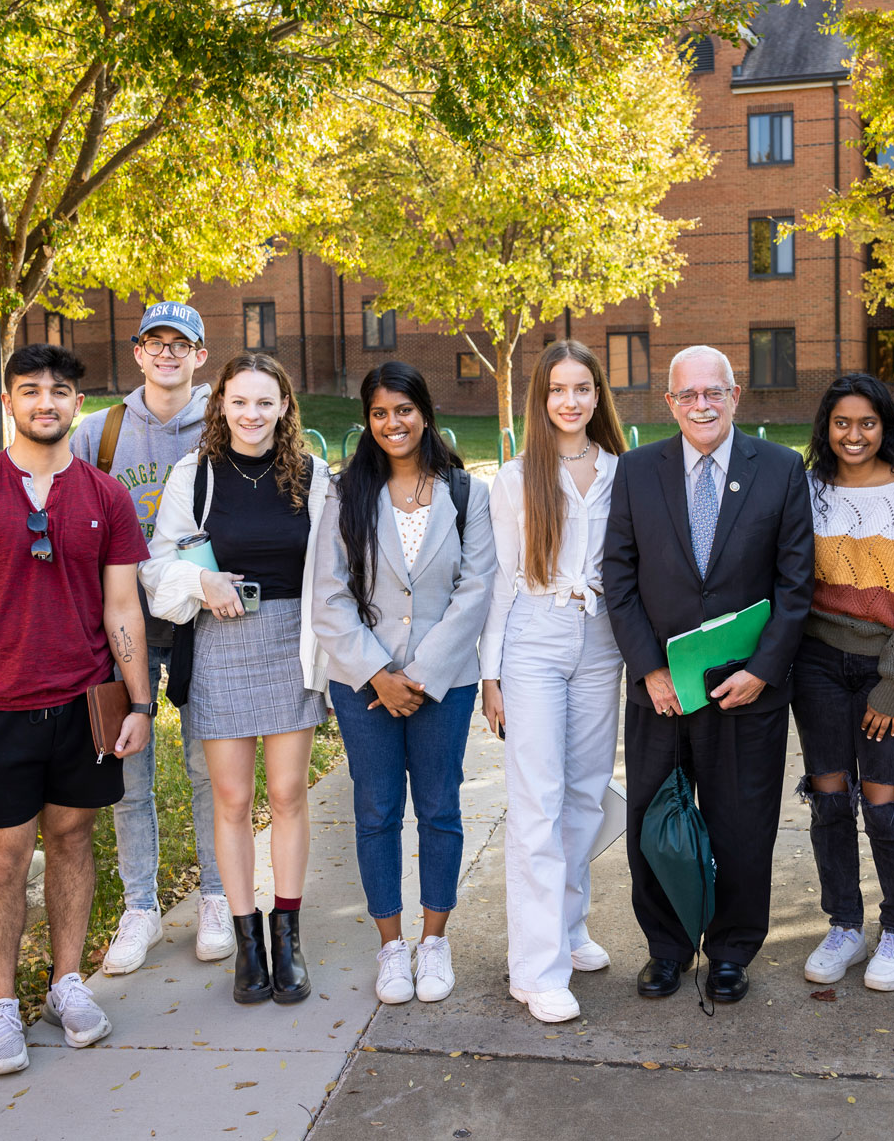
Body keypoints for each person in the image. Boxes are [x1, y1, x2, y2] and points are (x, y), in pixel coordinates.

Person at [0, 344, 155, 1077]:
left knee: (75, 840)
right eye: (30, 390)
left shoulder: (105, 497)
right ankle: (0, 1008)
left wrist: (140, 701)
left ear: (76, 405)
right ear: (9, 401)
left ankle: (65, 984)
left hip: (82, 703)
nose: (45, 402)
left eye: (59, 391)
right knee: (1, 862)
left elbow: (123, 605)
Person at [602, 345, 814, 1005]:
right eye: (687, 394)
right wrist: (647, 669)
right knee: (655, 822)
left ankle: (730, 950)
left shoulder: (780, 469)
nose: (701, 404)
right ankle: (666, 948)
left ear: (735, 394)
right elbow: (619, 577)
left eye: (713, 392)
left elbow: (796, 583)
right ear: (669, 403)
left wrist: (762, 671)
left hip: (745, 694)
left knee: (743, 828)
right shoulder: (638, 471)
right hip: (663, 695)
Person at [143, 354, 331, 1005]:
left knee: (286, 794)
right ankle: (245, 943)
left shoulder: (313, 476)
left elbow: (335, 569)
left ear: (285, 407)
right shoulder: (193, 476)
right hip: (220, 644)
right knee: (230, 799)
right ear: (220, 404)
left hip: (288, 645)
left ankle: (289, 938)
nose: (252, 415)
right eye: (240, 402)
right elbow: (155, 568)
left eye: (265, 402)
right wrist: (201, 581)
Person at [313, 362, 494, 1007]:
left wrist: (420, 675)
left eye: (404, 410)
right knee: (376, 810)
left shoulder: (465, 493)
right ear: (368, 420)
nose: (393, 424)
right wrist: (380, 675)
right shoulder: (346, 494)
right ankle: (391, 946)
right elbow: (329, 596)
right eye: (380, 413)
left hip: (444, 683)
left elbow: (476, 590)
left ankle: (434, 939)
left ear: (425, 412)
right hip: (364, 684)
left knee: (440, 807)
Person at [69, 301, 232, 973]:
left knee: (207, 769)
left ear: (200, 355)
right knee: (129, 773)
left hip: (203, 623)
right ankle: (140, 908)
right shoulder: (100, 433)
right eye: (154, 343)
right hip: (121, 628)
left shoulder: (223, 427)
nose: (167, 354)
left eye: (181, 344)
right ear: (137, 352)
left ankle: (218, 896)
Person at [480, 341, 627, 1024]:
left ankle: (567, 929)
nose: (570, 401)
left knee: (586, 793)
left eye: (582, 388)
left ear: (599, 395)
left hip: (600, 643)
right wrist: (491, 672)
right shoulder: (514, 479)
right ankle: (534, 968)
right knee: (536, 801)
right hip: (533, 640)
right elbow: (499, 582)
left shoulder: (625, 472)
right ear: (541, 399)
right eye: (557, 390)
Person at [793, 373, 894, 993]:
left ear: (886, 426)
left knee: (884, 805)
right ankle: (845, 925)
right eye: (841, 423)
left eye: (867, 423)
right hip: (818, 664)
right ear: (826, 429)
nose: (854, 435)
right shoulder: (808, 491)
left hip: (887, 670)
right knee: (830, 800)